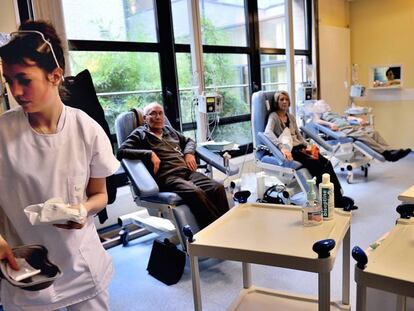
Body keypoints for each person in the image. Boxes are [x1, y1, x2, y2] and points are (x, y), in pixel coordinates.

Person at [0, 20, 119, 310]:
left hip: (81, 263)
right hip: (27, 270)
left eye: (24, 80)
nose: (15, 91)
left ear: (55, 76)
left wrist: (83, 210)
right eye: (9, 80)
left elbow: (100, 195)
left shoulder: (86, 129)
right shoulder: (2, 133)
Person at [117, 102, 229, 229]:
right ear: (145, 118)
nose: (158, 117)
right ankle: (214, 230)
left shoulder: (169, 130)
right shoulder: (140, 134)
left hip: (186, 172)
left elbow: (189, 141)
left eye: (160, 113)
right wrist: (149, 154)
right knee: (196, 192)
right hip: (168, 177)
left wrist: (188, 153)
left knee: (217, 188)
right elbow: (120, 152)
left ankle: (226, 226)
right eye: (153, 113)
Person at [264, 91, 357, 210]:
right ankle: (327, 200)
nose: (285, 102)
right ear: (276, 102)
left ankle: (338, 198)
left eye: (286, 99)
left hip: (300, 147)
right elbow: (267, 133)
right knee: (317, 167)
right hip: (291, 150)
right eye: (281, 99)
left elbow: (298, 135)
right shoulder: (274, 117)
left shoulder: (290, 117)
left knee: (326, 163)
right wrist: (281, 147)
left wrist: (308, 145)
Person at [312, 100, 411, 162]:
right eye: (323, 105)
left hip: (351, 127)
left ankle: (390, 150)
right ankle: (386, 154)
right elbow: (316, 121)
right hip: (343, 131)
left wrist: (357, 119)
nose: (325, 106)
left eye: (325, 105)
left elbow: (345, 117)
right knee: (363, 135)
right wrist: (330, 124)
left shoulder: (332, 113)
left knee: (373, 133)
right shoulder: (321, 116)